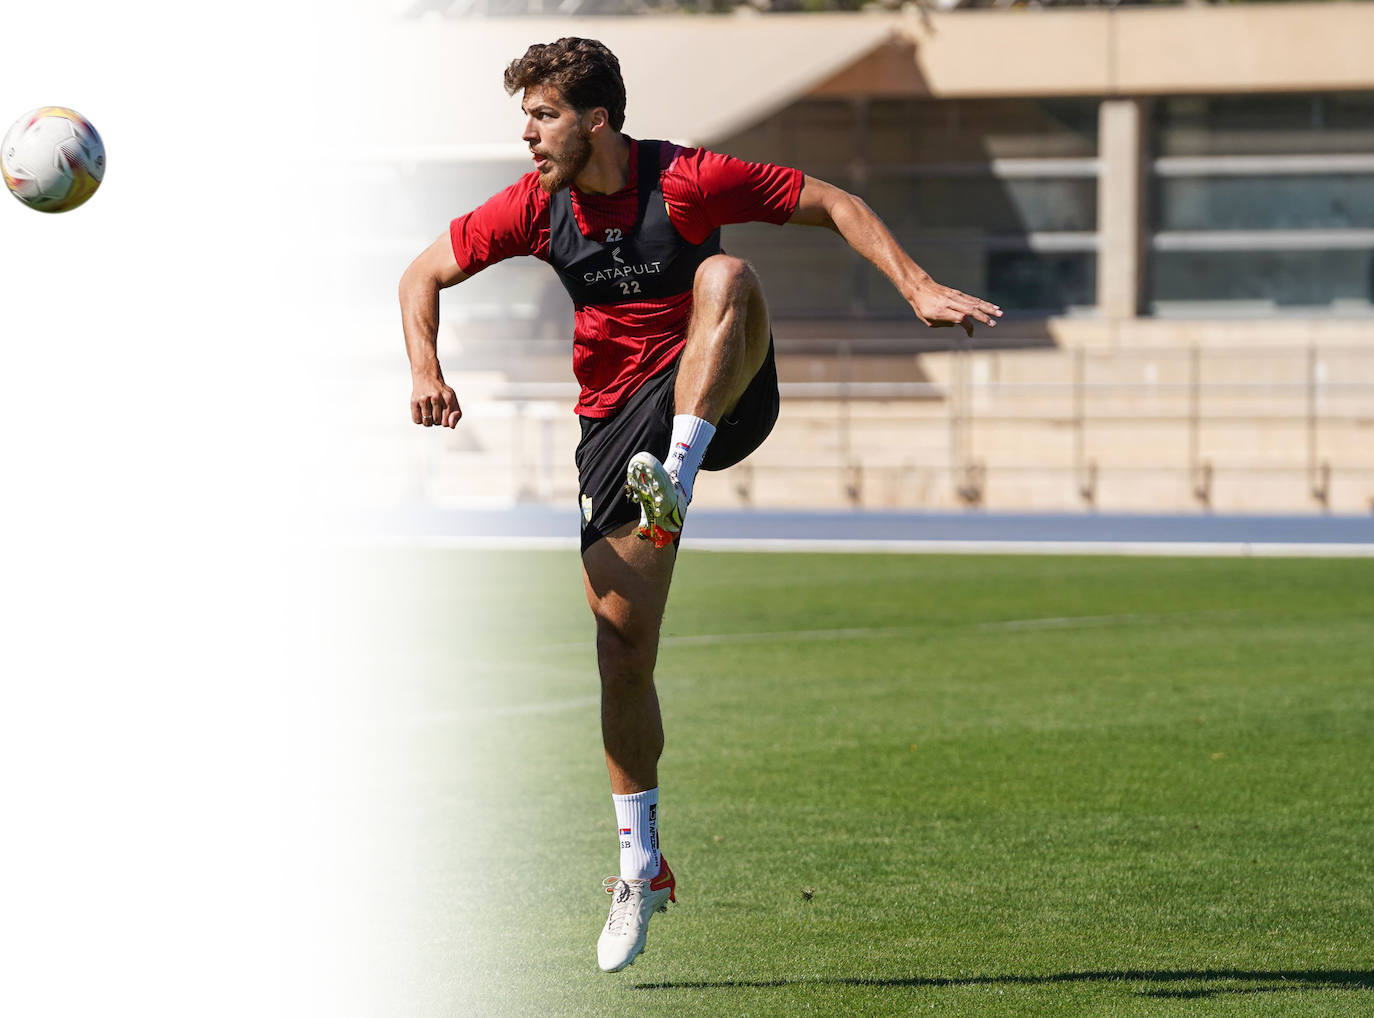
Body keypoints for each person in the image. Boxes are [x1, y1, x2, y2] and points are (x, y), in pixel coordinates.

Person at [398, 37, 1001, 973]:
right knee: (620, 648)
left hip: (717, 385)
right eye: (525, 117)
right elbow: (420, 274)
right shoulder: (534, 206)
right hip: (612, 427)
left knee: (725, 276)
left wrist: (916, 287)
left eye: (543, 115)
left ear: (597, 119)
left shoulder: (684, 179)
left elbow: (835, 201)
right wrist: (427, 370)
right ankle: (641, 864)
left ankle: (677, 473)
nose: (528, 135)